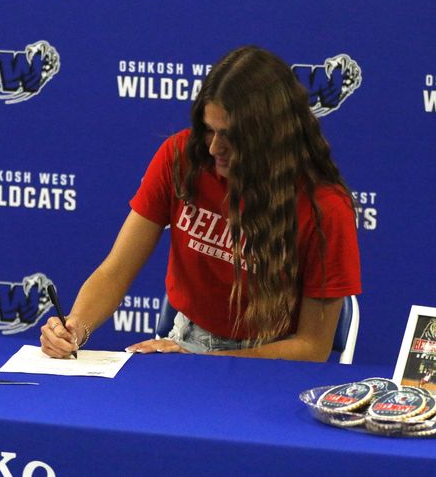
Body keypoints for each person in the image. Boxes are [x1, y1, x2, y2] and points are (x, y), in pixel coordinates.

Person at [40, 46, 361, 362]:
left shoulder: (325, 207)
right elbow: (116, 271)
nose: (214, 148)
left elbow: (311, 348)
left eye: (230, 136)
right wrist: (75, 328)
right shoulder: (180, 157)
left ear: (271, 135)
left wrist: (206, 359)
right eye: (208, 131)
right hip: (188, 341)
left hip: (274, 359)